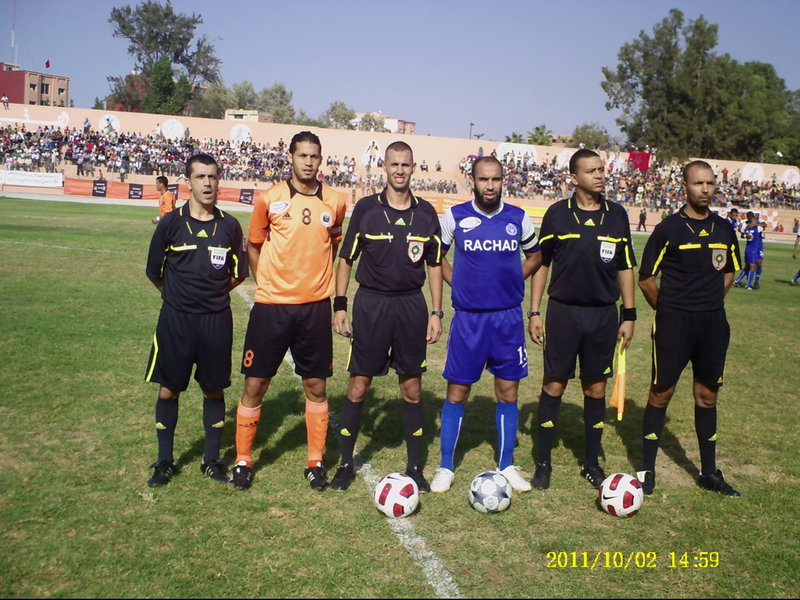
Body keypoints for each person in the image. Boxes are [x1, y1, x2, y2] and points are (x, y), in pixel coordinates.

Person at [232, 131, 347, 491]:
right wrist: (266, 282)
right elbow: (254, 245)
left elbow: (334, 246)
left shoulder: (335, 201)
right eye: (302, 156)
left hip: (315, 308)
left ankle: (315, 462)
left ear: (320, 160)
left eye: (314, 156)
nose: (308, 162)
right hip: (272, 307)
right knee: (256, 383)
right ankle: (243, 460)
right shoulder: (270, 199)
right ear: (291, 158)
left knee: (316, 385)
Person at [330, 141, 443, 492]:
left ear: (414, 168)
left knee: (412, 387)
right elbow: (346, 260)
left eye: (405, 165)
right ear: (384, 166)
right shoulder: (367, 209)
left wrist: (436, 312)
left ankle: (415, 467)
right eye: (394, 164)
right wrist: (340, 305)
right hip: (372, 305)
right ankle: (345, 464)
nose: (399, 170)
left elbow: (435, 264)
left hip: (411, 306)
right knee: (359, 383)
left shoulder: (426, 213)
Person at [430, 156, 542, 493]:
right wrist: (458, 284)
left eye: (495, 179)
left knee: (508, 391)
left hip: (507, 319)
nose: (490, 186)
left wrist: (515, 278)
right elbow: (436, 257)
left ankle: (506, 464)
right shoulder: (455, 216)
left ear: (503, 180)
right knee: (457, 391)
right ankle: (446, 466)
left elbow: (536, 256)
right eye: (483, 179)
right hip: (469, 320)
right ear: (473, 181)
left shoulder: (518, 217)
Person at [528, 149, 636, 491]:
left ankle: (591, 463)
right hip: (563, 313)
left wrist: (629, 315)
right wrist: (534, 311)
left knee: (596, 388)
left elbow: (625, 267)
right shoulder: (557, 214)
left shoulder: (617, 215)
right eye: (591, 171)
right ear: (574, 178)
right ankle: (543, 463)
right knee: (554, 385)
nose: (600, 175)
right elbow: (542, 264)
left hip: (603, 315)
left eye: (602, 169)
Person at [637, 160, 742, 497]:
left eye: (710, 183)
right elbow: (646, 279)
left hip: (712, 324)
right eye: (698, 183)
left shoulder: (724, 229)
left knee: (707, 396)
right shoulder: (668, 229)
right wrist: (669, 309)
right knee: (661, 393)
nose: (705, 189)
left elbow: (730, 271)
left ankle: (709, 472)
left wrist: (708, 301)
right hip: (674, 324)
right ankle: (647, 470)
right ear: (685, 187)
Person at [144, 153, 249, 487]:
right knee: (168, 390)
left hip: (215, 322)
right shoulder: (171, 224)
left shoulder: (230, 226)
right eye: (200, 176)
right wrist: (178, 297)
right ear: (188, 181)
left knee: (213, 390)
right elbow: (154, 271)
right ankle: (164, 461)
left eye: (212, 176)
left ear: (219, 181)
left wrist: (211, 296)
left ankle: (212, 460)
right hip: (176, 320)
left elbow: (238, 273)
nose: (207, 183)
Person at [733, 212, 764, 289]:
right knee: (752, 266)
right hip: (753, 248)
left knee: (756, 264)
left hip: (756, 247)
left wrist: (758, 224)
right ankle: (748, 284)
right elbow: (741, 231)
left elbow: (764, 225)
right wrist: (744, 233)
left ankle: (753, 282)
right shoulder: (751, 226)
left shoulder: (755, 224)